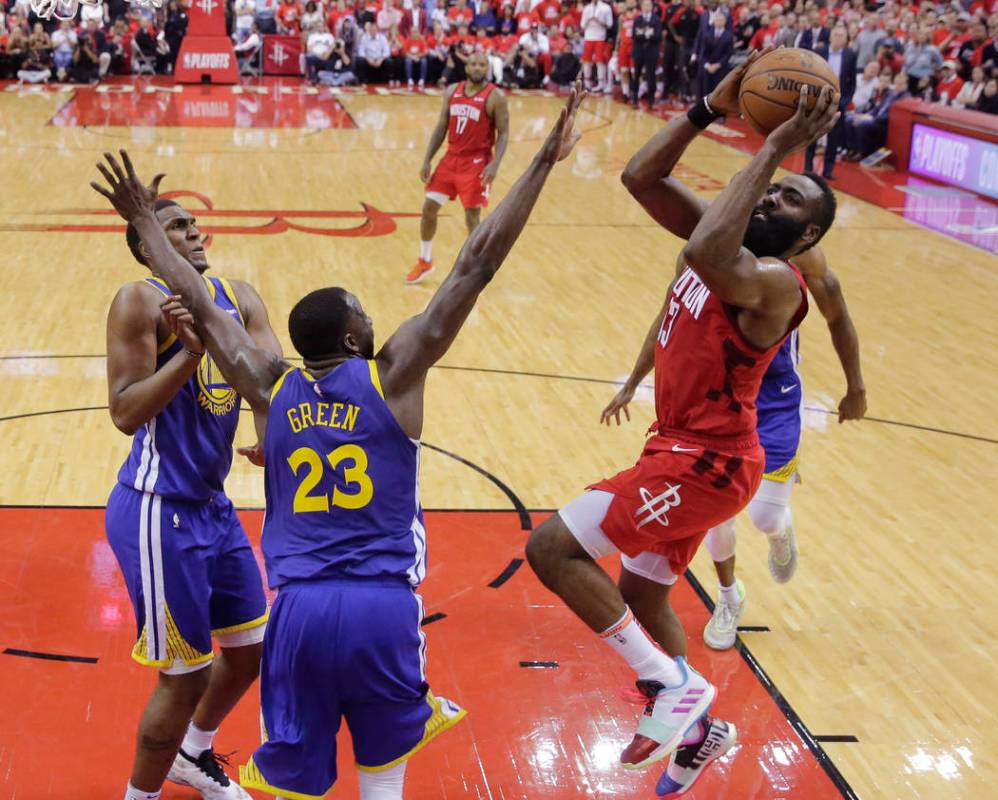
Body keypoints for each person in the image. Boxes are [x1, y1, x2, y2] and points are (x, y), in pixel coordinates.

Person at [90, 85, 585, 800]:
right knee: (381, 776)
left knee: (296, 776)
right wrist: (541, 160)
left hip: (297, 613)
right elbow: (475, 264)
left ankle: (199, 758)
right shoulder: (393, 378)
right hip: (380, 608)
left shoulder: (270, 385)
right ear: (358, 337)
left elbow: (196, 300)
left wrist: (144, 225)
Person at [525, 54, 839, 795]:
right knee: (641, 596)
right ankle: (699, 731)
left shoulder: (772, 282)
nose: (776, 199)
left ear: (804, 239)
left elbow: (702, 253)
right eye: (777, 189)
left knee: (551, 548)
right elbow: (639, 177)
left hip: (707, 462)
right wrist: (710, 107)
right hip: (682, 449)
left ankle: (675, 690)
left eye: (792, 200)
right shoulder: (726, 243)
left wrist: (770, 148)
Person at [97, 185, 283, 800]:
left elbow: (266, 381)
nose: (195, 230)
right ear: (149, 248)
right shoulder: (138, 301)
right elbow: (125, 412)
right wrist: (189, 357)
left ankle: (192, 754)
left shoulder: (241, 297)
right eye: (176, 226)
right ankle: (139, 795)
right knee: (184, 675)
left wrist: (263, 435)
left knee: (250, 650)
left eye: (194, 221)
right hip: (157, 509)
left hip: (212, 507)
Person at [406, 51, 510, 284]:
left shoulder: (495, 97)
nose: (477, 68)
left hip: (476, 163)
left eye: (481, 64)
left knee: (472, 216)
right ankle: (425, 260)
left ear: (487, 68)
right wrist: (427, 158)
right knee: (429, 208)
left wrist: (495, 163)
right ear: (466, 67)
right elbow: (441, 126)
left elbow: (503, 134)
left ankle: (476, 268)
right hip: (450, 159)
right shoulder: (452, 91)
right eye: (473, 64)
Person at [805, 25, 856, 179]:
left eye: (842, 35)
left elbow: (852, 82)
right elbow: (811, 75)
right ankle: (808, 168)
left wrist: (845, 101)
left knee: (833, 139)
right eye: (836, 34)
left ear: (846, 39)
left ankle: (828, 170)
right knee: (812, 135)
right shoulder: (820, 51)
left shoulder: (850, 55)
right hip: (819, 99)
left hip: (837, 102)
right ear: (830, 37)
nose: (838, 38)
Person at [630, 0, 661, 106]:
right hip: (638, 51)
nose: (647, 7)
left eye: (649, 5)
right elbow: (634, 35)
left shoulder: (656, 19)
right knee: (636, 74)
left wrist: (642, 33)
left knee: (651, 75)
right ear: (641, 7)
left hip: (651, 52)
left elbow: (658, 36)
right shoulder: (637, 19)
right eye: (645, 5)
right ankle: (634, 98)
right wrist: (647, 33)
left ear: (652, 7)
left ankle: (651, 100)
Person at [580, 0, 613, 93]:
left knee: (599, 61)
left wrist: (599, 21)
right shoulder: (586, 8)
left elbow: (610, 24)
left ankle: (601, 83)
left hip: (600, 37)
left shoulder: (606, 8)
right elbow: (582, 25)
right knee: (586, 61)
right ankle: (587, 83)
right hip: (588, 37)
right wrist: (589, 20)